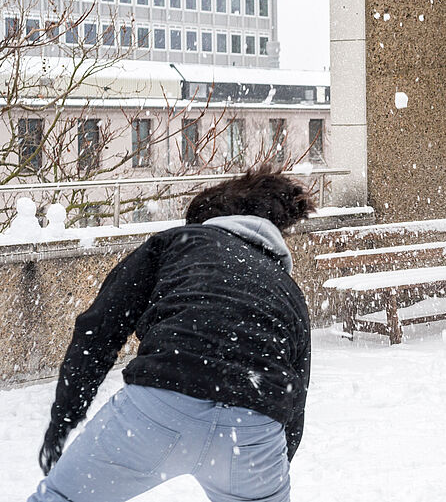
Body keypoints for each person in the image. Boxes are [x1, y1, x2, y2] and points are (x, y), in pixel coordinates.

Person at [29, 167, 316, 502]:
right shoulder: (289, 290)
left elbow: (99, 329)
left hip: (160, 405)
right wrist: (268, 464)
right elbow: (297, 392)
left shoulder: (177, 242)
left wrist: (63, 419)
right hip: (252, 429)